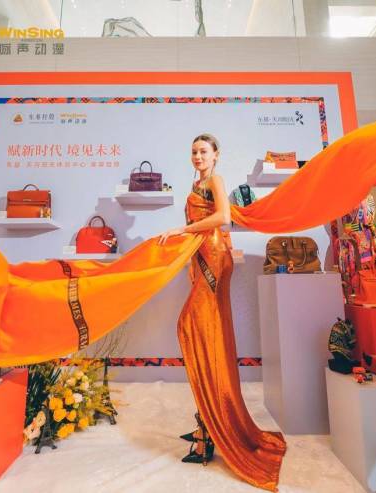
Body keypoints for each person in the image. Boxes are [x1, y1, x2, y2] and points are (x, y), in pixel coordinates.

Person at [158, 134, 286, 491]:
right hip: (201, 255)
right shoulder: (195, 183)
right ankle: (207, 421)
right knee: (203, 334)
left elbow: (223, 217)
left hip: (213, 254)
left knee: (199, 330)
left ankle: (212, 426)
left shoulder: (215, 179)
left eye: (203, 151)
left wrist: (182, 229)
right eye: (194, 151)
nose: (197, 156)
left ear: (216, 155)